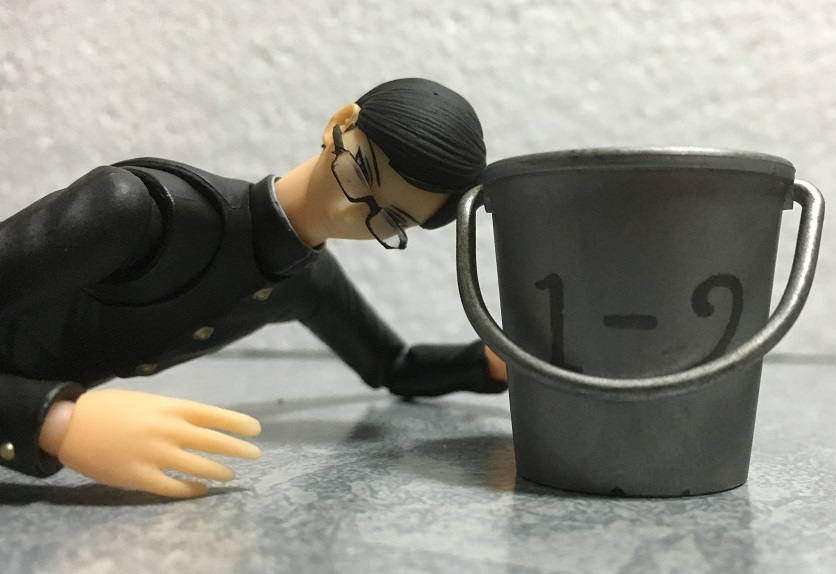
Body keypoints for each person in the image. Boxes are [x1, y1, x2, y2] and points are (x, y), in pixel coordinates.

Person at [0, 78, 507, 498]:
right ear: (339, 123)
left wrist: (493, 360)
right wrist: (51, 421)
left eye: (390, 220)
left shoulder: (303, 279)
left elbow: (392, 364)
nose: (349, 211)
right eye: (359, 171)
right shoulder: (139, 211)